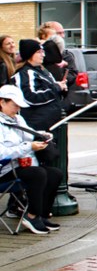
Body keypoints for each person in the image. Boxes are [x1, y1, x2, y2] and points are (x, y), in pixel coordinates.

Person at [0, 85, 63, 234]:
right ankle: (31, 216)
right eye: (14, 105)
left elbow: (28, 135)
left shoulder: (18, 118)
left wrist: (42, 135)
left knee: (55, 174)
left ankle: (41, 215)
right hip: (4, 171)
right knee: (38, 174)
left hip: (22, 167)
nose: (17, 109)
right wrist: (29, 147)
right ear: (2, 102)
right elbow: (2, 153)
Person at [38, 21, 77, 87]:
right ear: (44, 36)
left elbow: (72, 74)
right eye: (58, 33)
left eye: (63, 33)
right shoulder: (36, 53)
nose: (62, 36)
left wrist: (63, 81)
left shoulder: (66, 55)